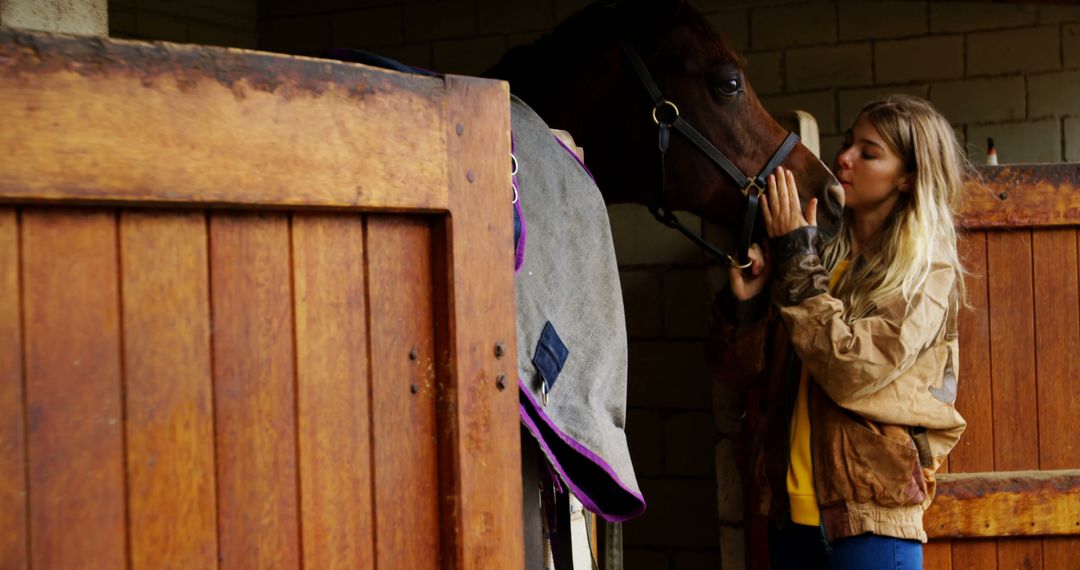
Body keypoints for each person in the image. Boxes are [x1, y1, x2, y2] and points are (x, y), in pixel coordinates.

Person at [710, 95, 968, 570]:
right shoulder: (820, 261)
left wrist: (796, 260)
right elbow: (743, 376)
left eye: (869, 153)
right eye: (848, 143)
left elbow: (852, 370)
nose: (843, 158)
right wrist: (745, 307)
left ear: (908, 177)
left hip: (869, 525)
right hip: (790, 518)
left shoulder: (924, 273)